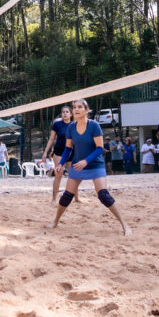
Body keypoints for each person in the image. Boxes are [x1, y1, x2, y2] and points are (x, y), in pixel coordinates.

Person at [49, 99, 130, 235]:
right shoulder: (71, 127)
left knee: (104, 196)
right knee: (66, 196)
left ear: (86, 110)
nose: (76, 109)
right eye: (74, 107)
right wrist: (61, 163)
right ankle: (55, 221)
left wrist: (86, 161)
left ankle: (125, 225)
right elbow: (68, 148)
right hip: (77, 164)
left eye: (80, 107)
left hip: (94, 164)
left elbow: (100, 149)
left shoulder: (94, 126)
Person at [42, 106, 75, 202]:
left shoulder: (74, 125)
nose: (65, 113)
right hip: (59, 152)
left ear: (70, 114)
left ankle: (76, 198)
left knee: (74, 175)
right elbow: (51, 139)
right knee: (59, 174)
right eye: (63, 112)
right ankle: (54, 199)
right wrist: (45, 152)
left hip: (72, 152)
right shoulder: (57, 124)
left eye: (67, 112)